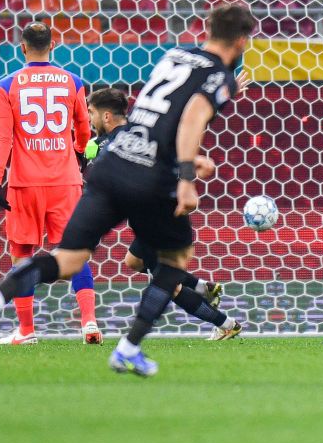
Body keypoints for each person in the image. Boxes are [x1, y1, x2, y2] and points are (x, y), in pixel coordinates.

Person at [0, 3, 253, 376]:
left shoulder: (175, 55)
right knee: (174, 260)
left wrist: (179, 159)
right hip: (150, 179)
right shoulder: (220, 75)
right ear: (243, 41)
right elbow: (192, 120)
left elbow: (154, 117)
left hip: (113, 164)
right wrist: (185, 176)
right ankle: (129, 347)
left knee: (67, 260)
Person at [87, 87, 241, 341]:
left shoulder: (106, 144)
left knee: (171, 287)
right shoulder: (140, 132)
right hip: (157, 211)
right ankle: (205, 288)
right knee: (133, 262)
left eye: (91, 112)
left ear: (106, 117)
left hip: (154, 219)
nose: (89, 118)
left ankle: (226, 324)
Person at [0, 23, 98, 345]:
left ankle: (26, 330)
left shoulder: (7, 85)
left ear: (22, 47)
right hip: (65, 182)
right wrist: (79, 156)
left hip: (25, 183)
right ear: (53, 45)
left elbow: (3, 137)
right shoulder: (72, 81)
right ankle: (89, 323)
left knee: (22, 254)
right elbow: (83, 129)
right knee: (75, 253)